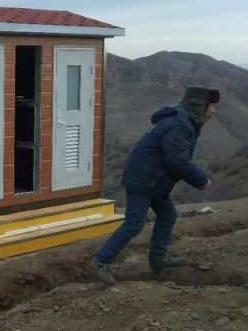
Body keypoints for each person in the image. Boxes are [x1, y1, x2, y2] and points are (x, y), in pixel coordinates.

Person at [90, 86, 220, 285]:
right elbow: (177, 161)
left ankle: (157, 260)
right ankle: (101, 261)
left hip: (153, 181)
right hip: (144, 180)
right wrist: (201, 180)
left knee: (168, 215)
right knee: (135, 223)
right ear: (200, 106)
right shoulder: (179, 124)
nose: (214, 111)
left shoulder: (185, 122)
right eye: (211, 106)